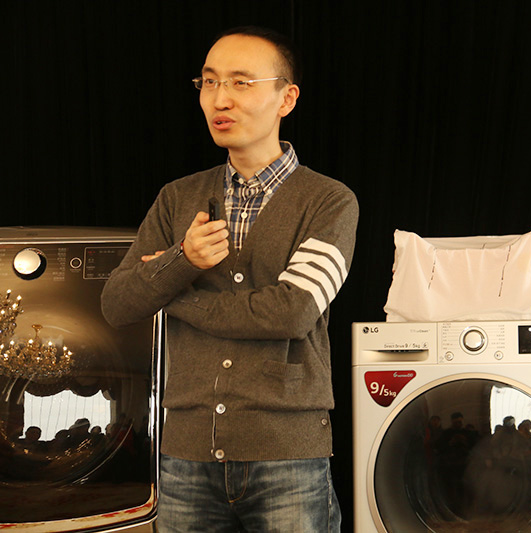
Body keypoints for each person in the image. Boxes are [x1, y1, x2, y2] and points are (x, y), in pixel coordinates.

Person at [101, 25, 358, 532]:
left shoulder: (329, 201)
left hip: (287, 454)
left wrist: (173, 295)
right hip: (184, 456)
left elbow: (291, 313)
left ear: (287, 98)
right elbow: (116, 303)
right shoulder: (177, 198)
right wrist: (183, 260)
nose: (220, 98)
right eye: (210, 82)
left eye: (241, 82)